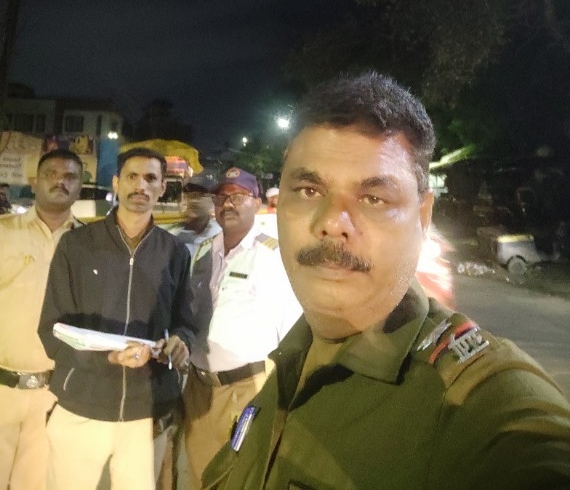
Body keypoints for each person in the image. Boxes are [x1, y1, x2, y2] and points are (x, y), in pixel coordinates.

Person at [202, 72, 570, 490]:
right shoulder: (291, 357)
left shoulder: (474, 403)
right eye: (308, 190)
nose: (331, 222)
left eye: (374, 198)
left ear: (423, 217)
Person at [38, 147, 196, 490]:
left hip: (145, 414)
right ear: (116, 182)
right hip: (82, 405)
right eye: (132, 176)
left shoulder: (175, 253)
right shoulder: (77, 245)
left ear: (162, 187)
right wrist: (107, 358)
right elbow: (52, 330)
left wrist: (181, 342)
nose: (141, 186)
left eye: (151, 178)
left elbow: (185, 322)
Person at [183, 167, 301, 489]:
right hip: (198, 389)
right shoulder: (204, 252)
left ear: (257, 203)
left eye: (239, 196)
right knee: (199, 476)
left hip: (247, 391)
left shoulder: (274, 257)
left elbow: (292, 331)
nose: (228, 203)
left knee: (242, 479)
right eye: (222, 197)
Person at [0, 149, 83, 490]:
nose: (60, 181)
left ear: (80, 186)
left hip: (53, 394)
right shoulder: (4, 232)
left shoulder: (88, 245)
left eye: (70, 176)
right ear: (34, 182)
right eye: (51, 174)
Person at [170, 179, 221, 259]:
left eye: (199, 196)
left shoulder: (218, 234)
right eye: (191, 196)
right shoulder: (173, 232)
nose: (194, 201)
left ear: (211, 201)